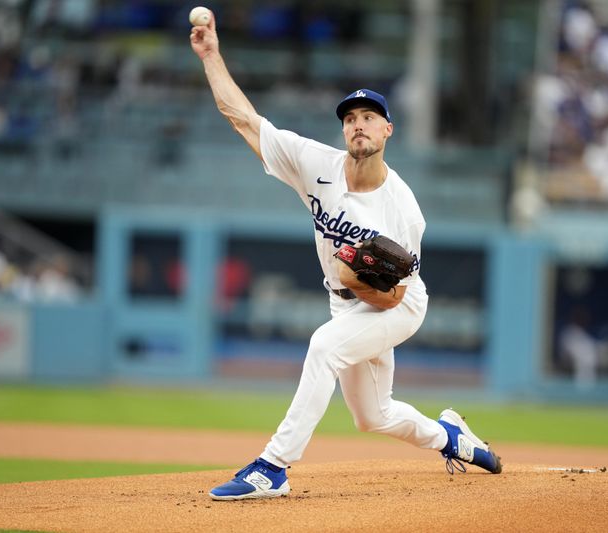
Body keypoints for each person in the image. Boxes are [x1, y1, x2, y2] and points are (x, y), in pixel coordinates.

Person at [190, 11, 502, 502]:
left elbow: (393, 294)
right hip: (346, 302)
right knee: (372, 416)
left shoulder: (403, 211)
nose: (358, 125)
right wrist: (212, 56)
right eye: (350, 118)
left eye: (368, 118)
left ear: (387, 132)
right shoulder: (317, 164)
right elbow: (244, 119)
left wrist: (353, 279)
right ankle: (452, 437)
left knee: (324, 347)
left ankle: (273, 467)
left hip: (397, 305)